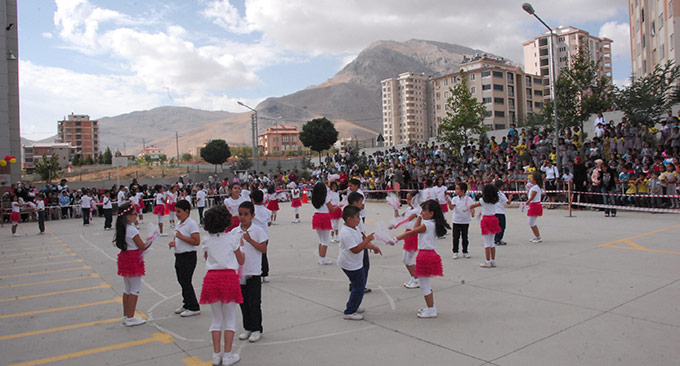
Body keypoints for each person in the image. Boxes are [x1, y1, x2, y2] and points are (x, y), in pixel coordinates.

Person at [199, 206, 244, 366]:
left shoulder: (206, 240)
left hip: (212, 278)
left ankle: (216, 354)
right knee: (230, 318)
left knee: (216, 319)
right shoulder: (232, 239)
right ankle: (228, 355)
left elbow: (207, 258)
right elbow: (241, 260)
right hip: (229, 278)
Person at [390, 200, 449, 318]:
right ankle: (430, 307)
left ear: (431, 213)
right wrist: (419, 217)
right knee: (424, 283)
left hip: (426, 256)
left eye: (424, 211)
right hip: (427, 254)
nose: (422, 212)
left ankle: (431, 309)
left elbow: (411, 232)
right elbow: (415, 229)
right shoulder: (430, 223)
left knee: (424, 284)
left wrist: (396, 239)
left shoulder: (427, 225)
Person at [337, 205, 381, 320]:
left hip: (355, 263)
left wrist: (372, 246)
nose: (359, 219)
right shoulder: (346, 233)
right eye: (357, 217)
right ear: (349, 219)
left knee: (359, 285)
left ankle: (354, 305)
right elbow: (355, 249)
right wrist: (367, 240)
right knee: (359, 287)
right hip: (349, 264)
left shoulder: (354, 229)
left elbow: (360, 242)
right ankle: (349, 311)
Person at [234, 201, 268, 343]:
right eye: (240, 214)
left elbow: (263, 249)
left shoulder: (258, 231)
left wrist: (250, 240)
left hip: (253, 271)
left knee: (254, 302)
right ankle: (247, 327)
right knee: (243, 302)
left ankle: (256, 329)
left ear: (252, 215)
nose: (243, 217)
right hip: (240, 272)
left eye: (246, 214)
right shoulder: (234, 231)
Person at [114, 203, 152, 327]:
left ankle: (126, 315)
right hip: (133, 259)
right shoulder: (132, 229)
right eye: (135, 214)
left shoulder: (122, 228)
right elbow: (142, 246)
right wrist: (151, 240)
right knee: (135, 289)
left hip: (125, 258)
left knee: (127, 289)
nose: (136, 216)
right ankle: (130, 317)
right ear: (128, 216)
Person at [169, 199, 202, 317]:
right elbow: (177, 238)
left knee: (186, 281)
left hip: (188, 256)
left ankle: (194, 306)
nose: (177, 214)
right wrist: (174, 242)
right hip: (179, 255)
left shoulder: (191, 224)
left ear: (186, 211)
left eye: (179, 212)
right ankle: (186, 303)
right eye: (176, 212)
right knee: (181, 280)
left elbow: (196, 241)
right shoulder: (179, 223)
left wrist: (182, 237)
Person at [389, 190, 422, 289]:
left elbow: (407, 220)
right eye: (407, 199)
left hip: (413, 235)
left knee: (408, 259)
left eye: (409, 199)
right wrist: (395, 209)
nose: (407, 201)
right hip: (408, 234)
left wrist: (395, 225)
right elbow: (399, 217)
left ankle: (417, 279)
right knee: (406, 259)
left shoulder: (417, 210)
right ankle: (415, 277)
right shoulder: (408, 209)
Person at [470, 184, 501, 268]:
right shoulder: (495, 200)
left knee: (487, 242)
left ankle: (487, 261)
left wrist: (470, 208)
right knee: (492, 242)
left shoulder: (483, 200)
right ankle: (493, 260)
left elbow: (473, 205)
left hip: (486, 220)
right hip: (494, 219)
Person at [311, 182, 339, 265]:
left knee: (321, 240)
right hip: (324, 217)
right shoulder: (326, 197)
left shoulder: (314, 198)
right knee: (325, 240)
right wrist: (339, 205)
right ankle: (323, 258)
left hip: (316, 217)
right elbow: (332, 209)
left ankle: (321, 257)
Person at [446, 182, 474, 259]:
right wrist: (449, 203)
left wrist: (472, 212)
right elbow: (452, 208)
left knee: (465, 237)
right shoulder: (455, 199)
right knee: (456, 237)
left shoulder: (469, 199)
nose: (456, 190)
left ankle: (465, 251)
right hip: (456, 221)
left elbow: (471, 207)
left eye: (458, 189)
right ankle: (455, 251)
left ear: (463, 190)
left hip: (465, 221)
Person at [251, 190, 272, 283]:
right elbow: (269, 223)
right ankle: (265, 273)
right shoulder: (267, 211)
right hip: (264, 235)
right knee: (263, 254)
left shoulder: (251, 210)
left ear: (252, 199)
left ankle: (257, 273)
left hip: (254, 235)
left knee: (255, 255)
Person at [526, 171, 544, 243]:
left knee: (531, 223)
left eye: (531, 178)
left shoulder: (535, 188)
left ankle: (538, 237)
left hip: (534, 205)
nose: (530, 179)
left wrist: (527, 202)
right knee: (531, 222)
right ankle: (537, 236)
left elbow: (532, 197)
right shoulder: (534, 187)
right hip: (533, 205)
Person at [494, 180, 512, 246]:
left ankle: (495, 238)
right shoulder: (501, 194)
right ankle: (498, 239)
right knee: (502, 227)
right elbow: (508, 203)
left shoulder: (493, 193)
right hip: (500, 212)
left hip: (493, 212)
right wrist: (510, 198)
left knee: (496, 226)